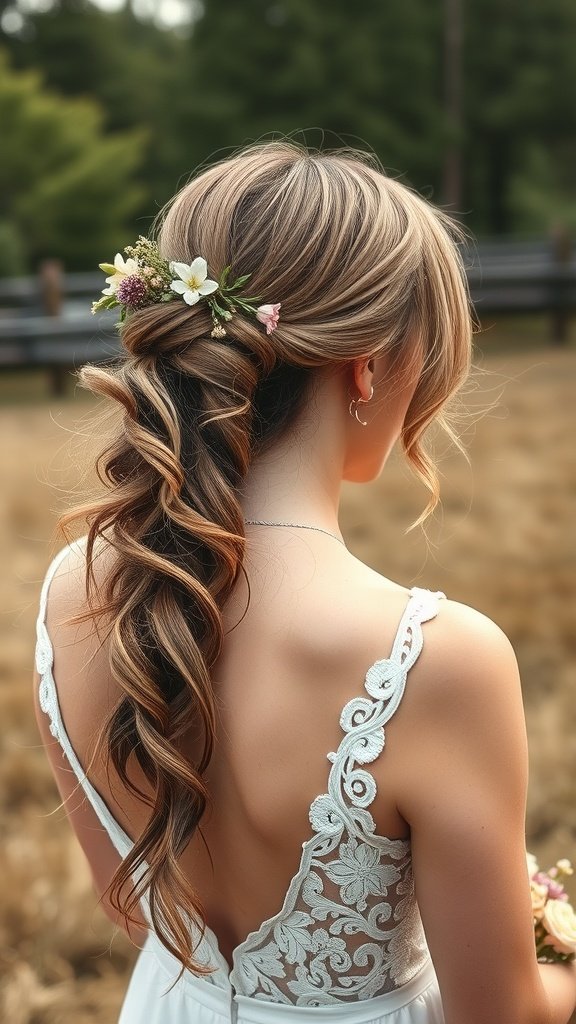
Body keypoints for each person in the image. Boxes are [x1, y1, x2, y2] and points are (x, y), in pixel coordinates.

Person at [33, 141, 576, 1024]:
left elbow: (133, 909)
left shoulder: (75, 589)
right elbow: (501, 1014)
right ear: (369, 365)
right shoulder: (437, 661)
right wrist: (562, 957)